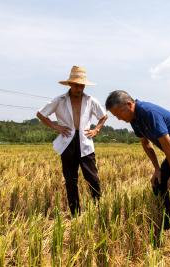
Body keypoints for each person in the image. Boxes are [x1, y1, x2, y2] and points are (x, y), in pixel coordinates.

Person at [105, 90, 170, 228]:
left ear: (129, 105)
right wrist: (157, 169)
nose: (118, 119)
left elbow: (167, 143)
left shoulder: (148, 112)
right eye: (115, 116)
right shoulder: (133, 120)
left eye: (119, 114)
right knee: (159, 183)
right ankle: (166, 221)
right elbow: (146, 144)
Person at [37, 66, 107, 216]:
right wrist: (55, 126)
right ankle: (75, 213)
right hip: (67, 141)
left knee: (92, 178)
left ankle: (98, 208)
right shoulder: (59, 100)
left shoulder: (90, 100)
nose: (79, 88)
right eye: (76, 85)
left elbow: (103, 116)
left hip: (85, 141)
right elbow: (41, 114)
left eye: (81, 85)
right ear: (70, 84)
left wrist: (96, 129)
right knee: (70, 180)